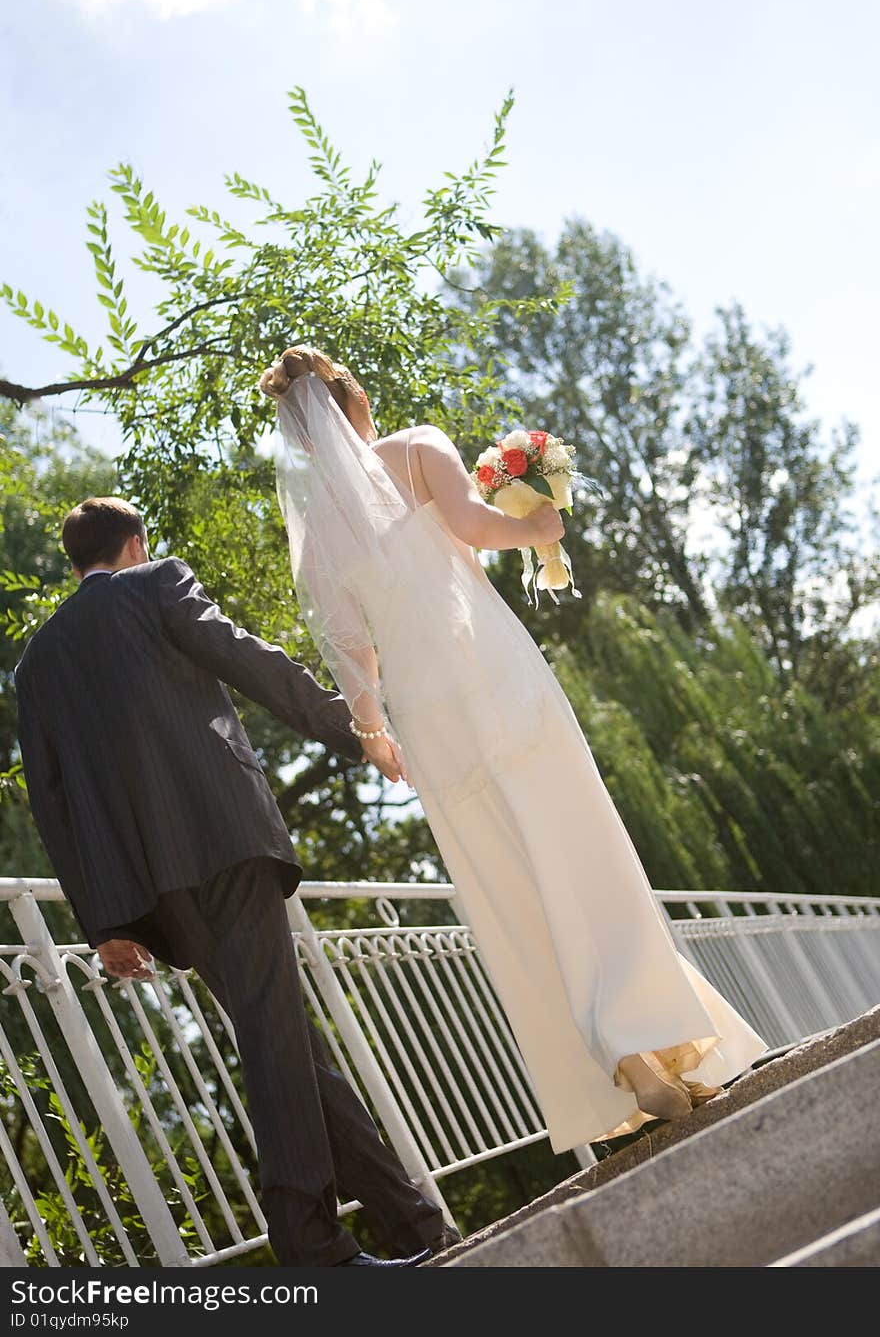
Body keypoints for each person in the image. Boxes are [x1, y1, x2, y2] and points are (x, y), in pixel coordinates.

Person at [264, 346, 769, 1151]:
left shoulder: (317, 528)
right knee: (581, 846)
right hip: (497, 680)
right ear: (355, 401)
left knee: (508, 885)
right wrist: (539, 526)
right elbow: (474, 526)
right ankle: (643, 1029)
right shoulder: (417, 446)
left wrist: (373, 733)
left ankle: (622, 1059)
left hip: (430, 723)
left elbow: (352, 650)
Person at [14, 496, 459, 1267]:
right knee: (274, 1037)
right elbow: (248, 658)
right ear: (135, 543)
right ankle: (311, 1246)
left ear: (76, 557)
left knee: (277, 1037)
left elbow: (51, 802)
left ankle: (415, 1222)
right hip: (224, 840)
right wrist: (354, 730)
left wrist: (102, 923)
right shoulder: (156, 583)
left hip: (150, 891)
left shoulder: (37, 662)